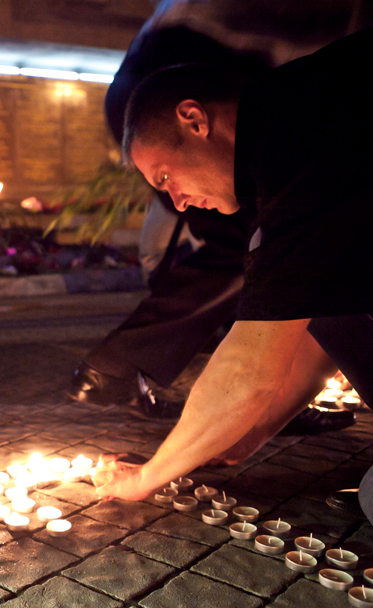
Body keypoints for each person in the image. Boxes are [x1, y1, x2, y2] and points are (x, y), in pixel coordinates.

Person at [94, 28, 373, 520]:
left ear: (194, 119)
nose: (177, 201)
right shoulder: (296, 126)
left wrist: (146, 478)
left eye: (165, 177)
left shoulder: (299, 139)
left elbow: (249, 368)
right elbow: (319, 330)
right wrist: (250, 433)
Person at [69, 1, 360, 434]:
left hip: (163, 74)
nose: (177, 203)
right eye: (161, 183)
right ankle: (133, 368)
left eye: (166, 180)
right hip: (179, 76)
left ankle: (253, 385)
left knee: (269, 249)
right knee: (263, 249)